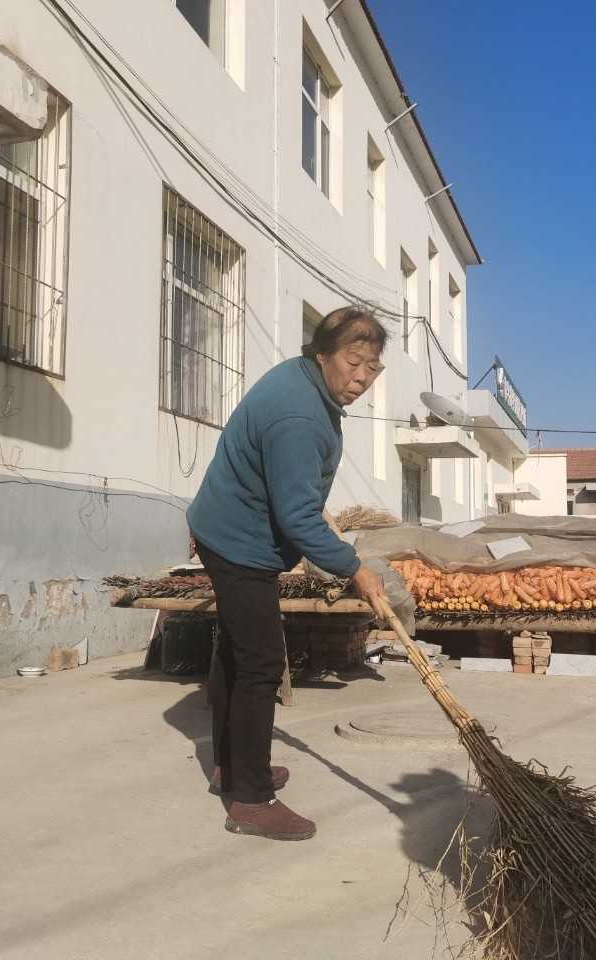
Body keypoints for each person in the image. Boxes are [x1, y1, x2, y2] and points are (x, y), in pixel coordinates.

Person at [186, 305, 389, 841]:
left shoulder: (305, 384)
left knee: (237, 650)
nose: (363, 378)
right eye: (354, 362)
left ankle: (233, 766)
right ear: (323, 353)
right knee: (261, 663)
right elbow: (297, 517)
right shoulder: (299, 414)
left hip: (226, 527)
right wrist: (355, 569)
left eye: (373, 368)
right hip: (238, 542)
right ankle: (251, 801)